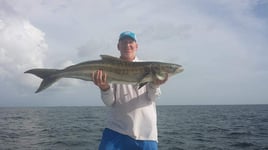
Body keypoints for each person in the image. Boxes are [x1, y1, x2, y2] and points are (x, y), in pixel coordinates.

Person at [92, 31, 168, 150]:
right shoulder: (108, 68)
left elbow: (153, 98)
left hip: (146, 133)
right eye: (124, 42)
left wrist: (155, 85)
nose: (127, 45)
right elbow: (109, 102)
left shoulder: (149, 67)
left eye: (130, 42)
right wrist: (104, 87)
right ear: (118, 46)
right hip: (116, 131)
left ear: (136, 46)